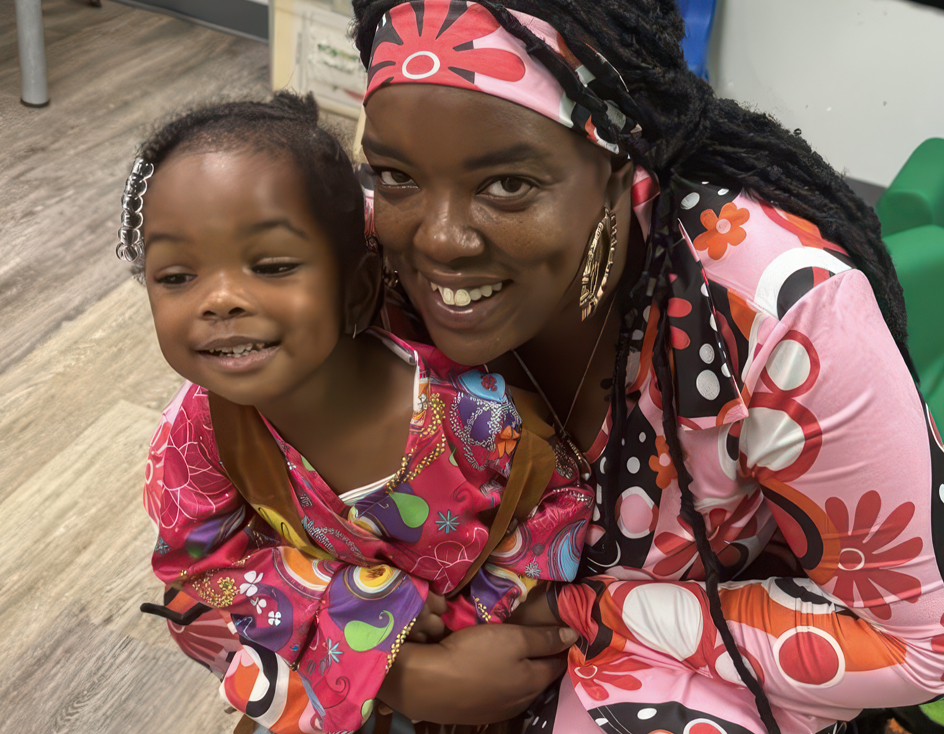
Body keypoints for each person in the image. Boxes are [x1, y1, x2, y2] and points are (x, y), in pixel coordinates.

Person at [350, 0, 944, 734]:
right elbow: (209, 546)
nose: (438, 239)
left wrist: (585, 617)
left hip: (690, 672)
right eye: (396, 175)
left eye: (508, 185)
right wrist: (387, 668)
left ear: (620, 169)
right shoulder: (356, 281)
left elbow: (921, 642)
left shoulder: (775, 312)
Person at [123, 92, 593, 734]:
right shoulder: (194, 437)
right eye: (176, 276)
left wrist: (469, 642)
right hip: (325, 681)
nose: (221, 300)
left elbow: (554, 507)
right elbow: (200, 581)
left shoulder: (472, 416)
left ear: (360, 288)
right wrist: (369, 620)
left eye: (273, 266)